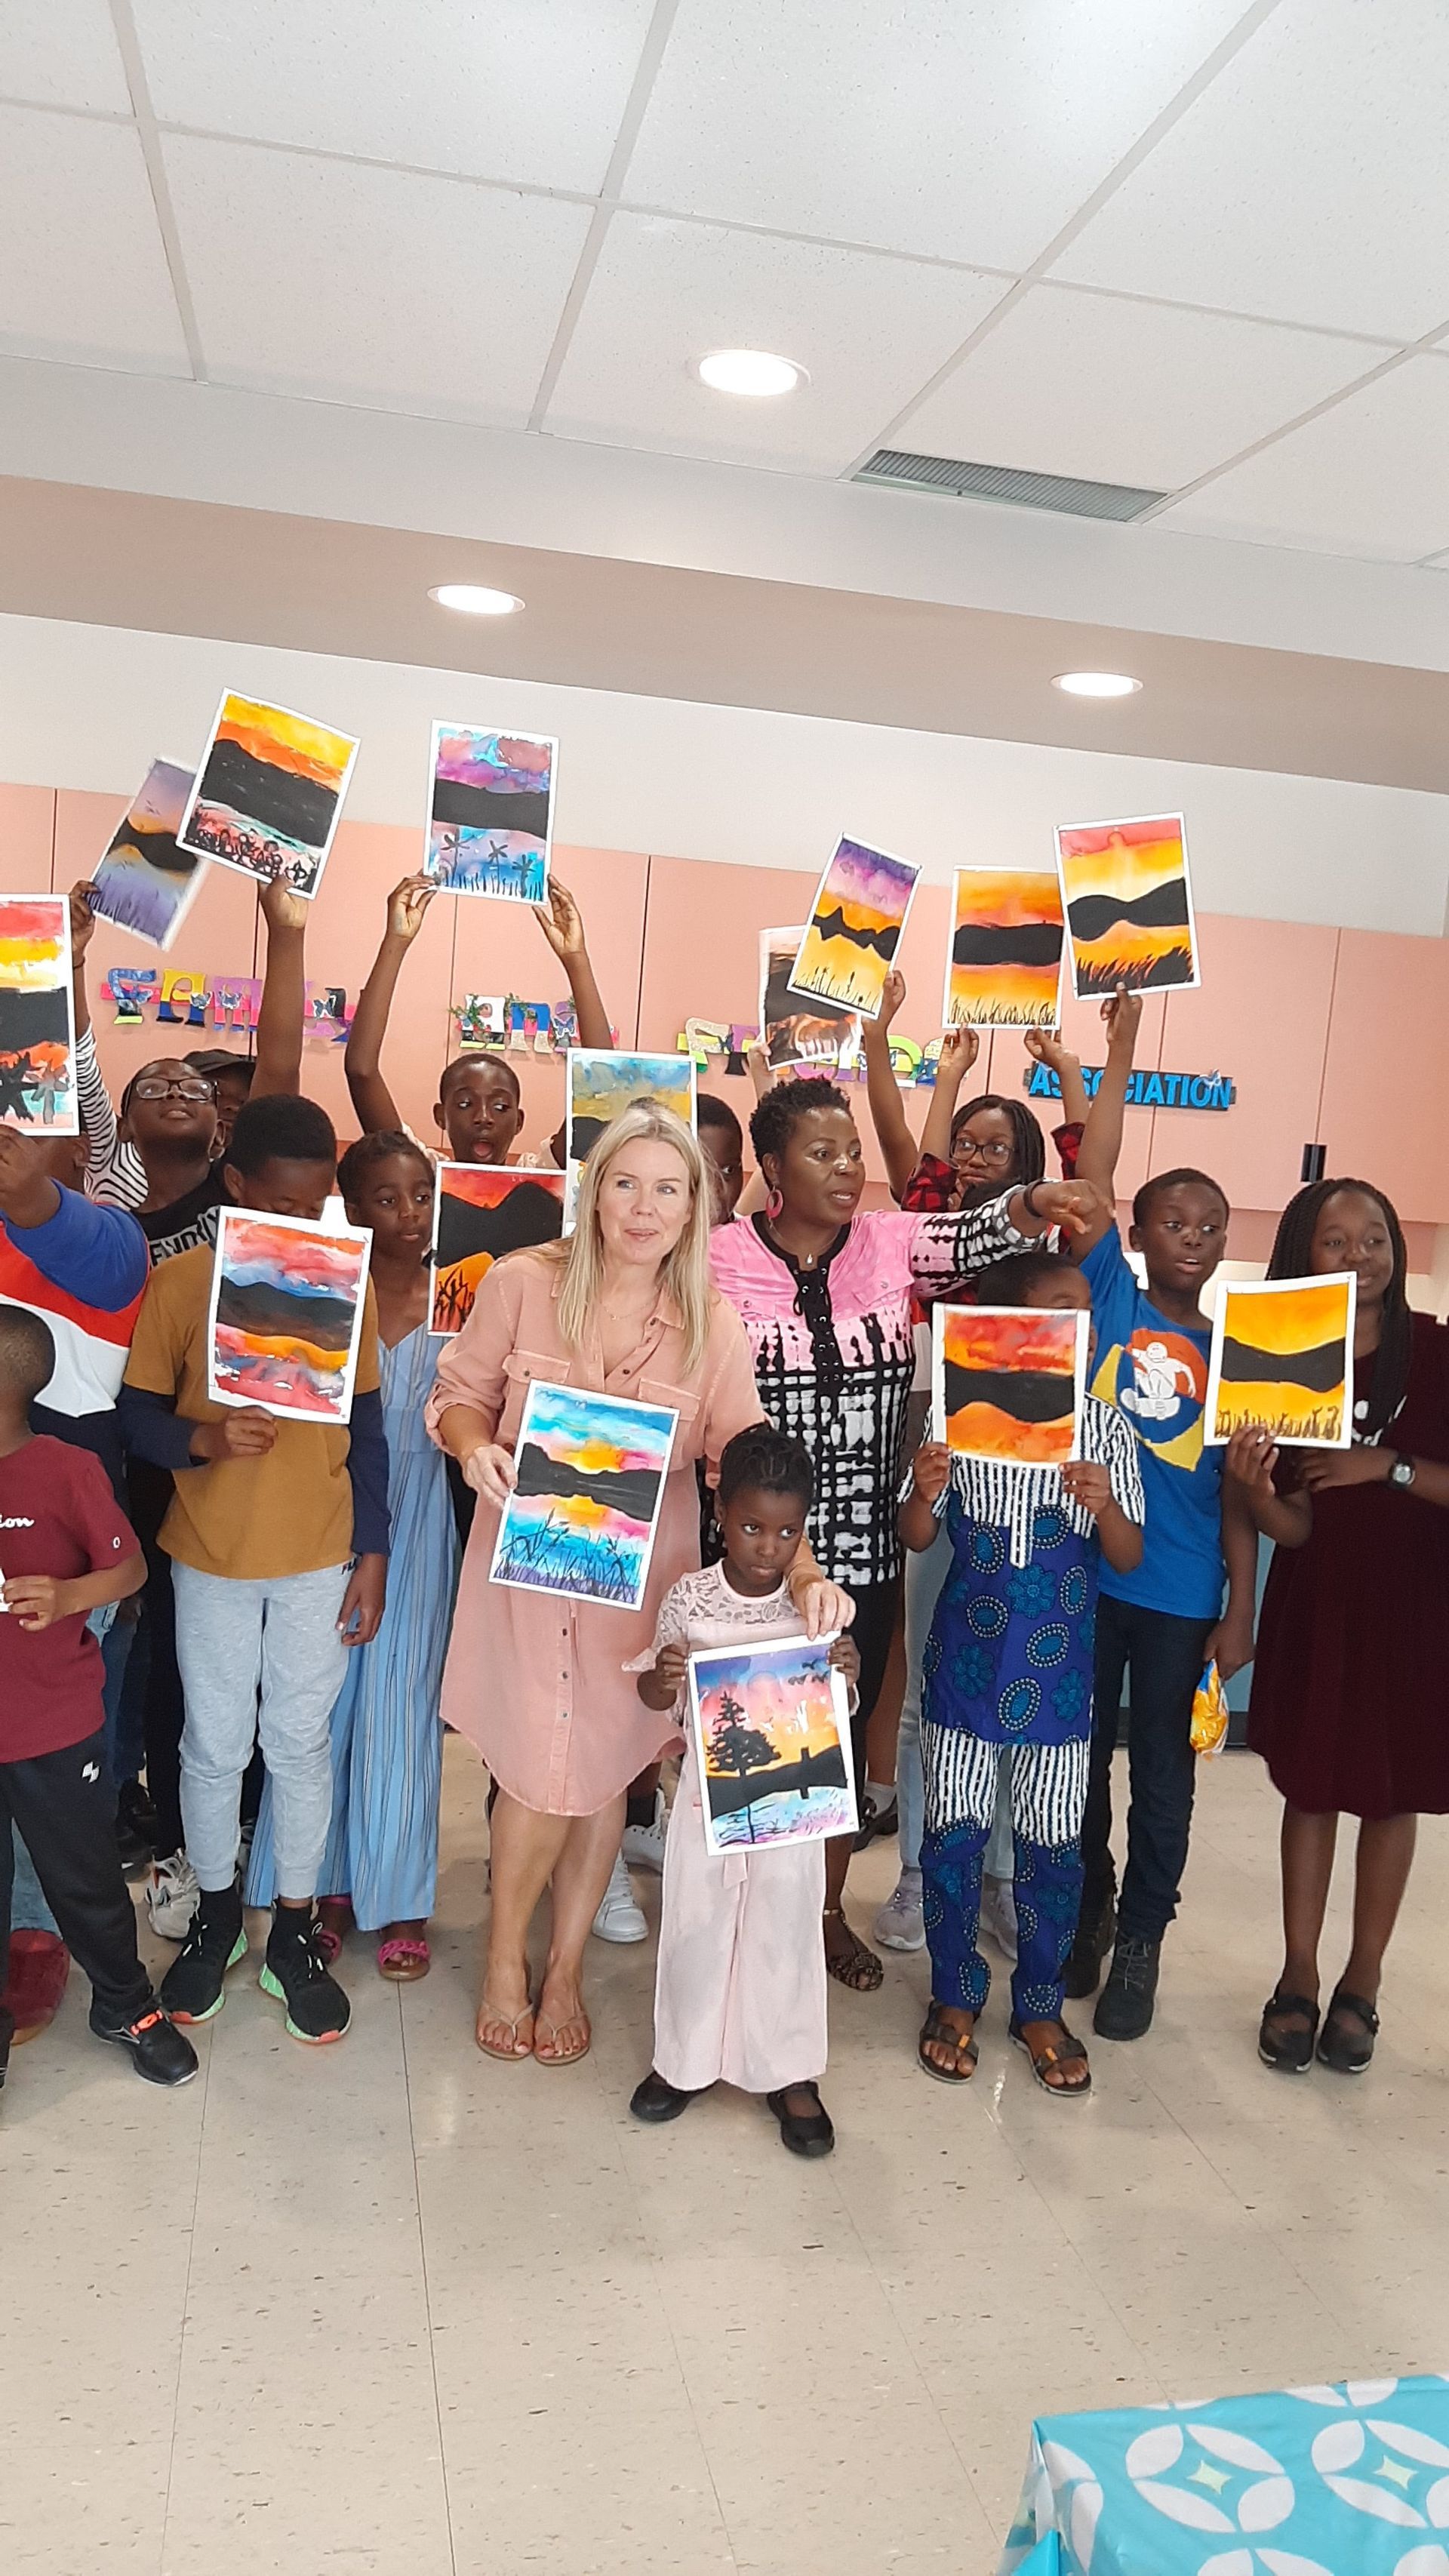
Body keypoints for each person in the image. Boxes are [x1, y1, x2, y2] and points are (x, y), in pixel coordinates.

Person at [427, 1100, 849, 2066]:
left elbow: (749, 1462)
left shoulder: (713, 1324)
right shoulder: (521, 1282)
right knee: (534, 1770)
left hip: (637, 1586)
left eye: (668, 1187)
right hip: (527, 1574)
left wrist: (807, 1566)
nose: (644, 1205)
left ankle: (564, 1968)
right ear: (595, 1187)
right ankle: (504, 1961)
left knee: (606, 1768)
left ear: (695, 1203)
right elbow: (456, 1392)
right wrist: (475, 1447)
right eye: (625, 1181)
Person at [710, 1073, 1101, 1992]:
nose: (848, 1168)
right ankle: (740, 1920)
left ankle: (821, 1913)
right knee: (753, 1745)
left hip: (864, 1556)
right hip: (750, 1557)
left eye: (853, 1151)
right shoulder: (720, 1256)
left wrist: (1034, 1198)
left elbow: (977, 1231)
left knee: (837, 1747)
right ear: (772, 1168)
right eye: (823, 1152)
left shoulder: (889, 1243)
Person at [117, 1095, 389, 2045]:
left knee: (300, 1742)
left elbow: (368, 1435)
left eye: (314, 1208)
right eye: (277, 1202)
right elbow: (135, 1415)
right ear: (235, 1186)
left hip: (320, 1556)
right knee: (212, 1742)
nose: (298, 1224)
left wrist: (376, 1552)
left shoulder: (338, 1286)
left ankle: (299, 1927)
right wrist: (200, 1437)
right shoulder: (184, 1282)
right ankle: (219, 1912)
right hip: (212, 1555)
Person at [901, 1251, 1144, 2094]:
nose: (1076, 1331)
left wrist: (1105, 1502)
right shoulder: (957, 1415)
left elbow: (1128, 1553)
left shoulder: (1108, 1427)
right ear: (1010, 1328)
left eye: (1085, 1316)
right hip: (964, 1665)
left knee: (1054, 1848)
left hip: (1061, 1681)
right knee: (953, 1840)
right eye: (1057, 1315)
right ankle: (955, 1992)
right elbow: (918, 1536)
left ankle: (1040, 2000)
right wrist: (926, 1491)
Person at [1063, 993, 1258, 2040]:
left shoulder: (1244, 1355)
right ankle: (1091, 1908)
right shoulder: (1115, 1301)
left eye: (1210, 1226)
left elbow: (1239, 1496)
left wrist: (1243, 1610)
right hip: (1094, 1574)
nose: (1193, 1236)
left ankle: (1144, 1936)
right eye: (1173, 1221)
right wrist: (1117, 1050)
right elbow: (1089, 1180)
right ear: (1138, 1233)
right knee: (1083, 1763)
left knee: (1167, 1782)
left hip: (1185, 1594)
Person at [1230, 1177, 1449, 2076]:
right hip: (1319, 1603)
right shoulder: (1282, 1354)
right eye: (1335, 1240)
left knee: (1393, 1793)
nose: (1358, 1257)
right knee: (1312, 1788)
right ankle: (1299, 1975)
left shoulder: (1438, 1352)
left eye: (1375, 1239)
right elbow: (1294, 1524)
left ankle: (1363, 1982)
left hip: (1418, 1605)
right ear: (1300, 1254)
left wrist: (1386, 1467)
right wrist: (1249, 1486)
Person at [245, 1132, 454, 1980]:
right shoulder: (321, 1282)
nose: (408, 1214)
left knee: (404, 1702)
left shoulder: (466, 1288)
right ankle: (325, 1884)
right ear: (351, 1205)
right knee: (323, 1698)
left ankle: (400, 1893)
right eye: (386, 1197)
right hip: (334, 1502)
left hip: (430, 1507)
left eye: (422, 1195)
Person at [629, 1424, 859, 2156]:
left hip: (790, 1804)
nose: (767, 1545)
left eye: (787, 1530)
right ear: (720, 1512)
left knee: (783, 1931)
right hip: (705, 1799)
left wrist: (845, 1671)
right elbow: (651, 1691)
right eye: (752, 1526)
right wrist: (660, 1680)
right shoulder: (691, 1596)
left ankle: (787, 2068)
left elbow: (836, 1705)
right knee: (695, 1927)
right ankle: (684, 2059)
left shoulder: (815, 1606)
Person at [0, 1306, 195, 2098]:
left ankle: (125, 2004)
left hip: (52, 1722)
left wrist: (67, 1591)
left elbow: (130, 1573)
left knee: (81, 1876)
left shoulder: (65, 1468)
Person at [0, 1117, 150, 2041]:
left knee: (55, 1794)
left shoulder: (103, 1236)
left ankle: (39, 1939)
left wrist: (30, 1197)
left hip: (63, 1570)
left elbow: (69, 1231)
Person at [69, 879, 306, 1230]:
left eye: (197, 1091)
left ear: (221, 1134)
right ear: (124, 1127)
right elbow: (80, 1060)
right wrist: (71, 959)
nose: (176, 1092)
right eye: (152, 1089)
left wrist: (287, 933)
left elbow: (279, 1065)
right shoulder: (112, 1181)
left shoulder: (239, 1188)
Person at [344, 873, 614, 1162]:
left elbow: (600, 1089)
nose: (483, 1118)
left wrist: (576, 959)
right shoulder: (422, 1178)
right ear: (441, 1116)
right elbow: (361, 1070)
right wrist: (395, 941)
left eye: (500, 1107)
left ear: (519, 1121)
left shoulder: (538, 1179)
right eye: (464, 1103)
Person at [696, 1094, 746, 1226]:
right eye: (700, 1171)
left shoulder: (750, 1242)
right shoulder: (648, 1241)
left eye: (728, 1170)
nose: (717, 1188)